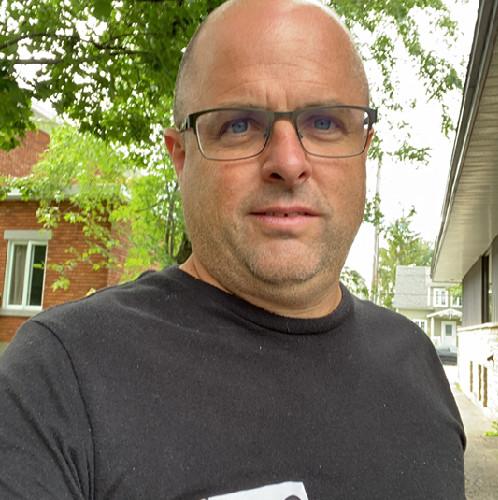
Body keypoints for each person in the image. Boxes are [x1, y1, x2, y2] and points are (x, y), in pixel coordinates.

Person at [0, 0, 465, 498]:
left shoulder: (417, 365)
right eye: (239, 125)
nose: (288, 162)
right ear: (181, 158)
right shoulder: (60, 378)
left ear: (364, 150)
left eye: (325, 123)